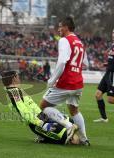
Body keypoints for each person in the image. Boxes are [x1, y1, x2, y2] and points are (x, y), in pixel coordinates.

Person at [39, 17, 90, 146]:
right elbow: (86, 63)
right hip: (78, 83)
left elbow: (62, 62)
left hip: (66, 82)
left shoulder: (64, 40)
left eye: (60, 26)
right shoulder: (79, 42)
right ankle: (84, 140)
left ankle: (68, 126)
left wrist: (52, 79)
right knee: (74, 110)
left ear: (66, 27)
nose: (58, 29)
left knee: (44, 106)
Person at [1, 70, 79, 145]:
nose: (19, 78)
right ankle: (43, 136)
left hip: (42, 116)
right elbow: (24, 112)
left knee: (71, 122)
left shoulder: (16, 90)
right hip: (37, 123)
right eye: (18, 76)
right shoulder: (13, 92)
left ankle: (43, 137)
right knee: (68, 137)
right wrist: (41, 124)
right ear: (14, 78)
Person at [93, 29, 114, 123]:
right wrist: (105, 64)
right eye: (113, 32)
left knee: (111, 100)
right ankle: (104, 118)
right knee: (98, 95)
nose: (113, 34)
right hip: (107, 73)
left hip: (113, 74)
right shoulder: (112, 45)